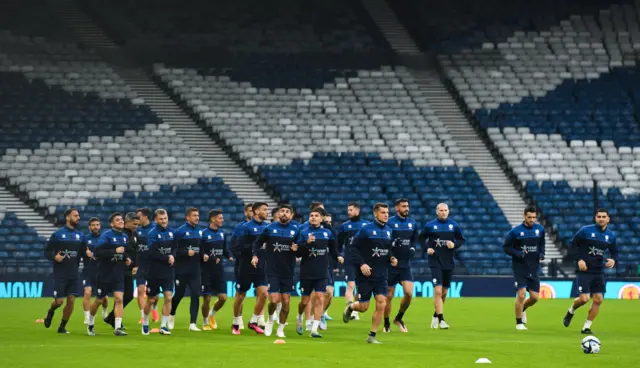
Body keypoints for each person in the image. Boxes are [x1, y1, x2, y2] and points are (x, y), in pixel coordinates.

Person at [343, 203, 397, 344]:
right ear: (375, 214)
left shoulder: (389, 231)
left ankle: (372, 335)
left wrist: (392, 258)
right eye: (383, 212)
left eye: (387, 212)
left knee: (381, 304)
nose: (386, 215)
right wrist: (362, 264)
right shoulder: (365, 230)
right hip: (365, 275)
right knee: (363, 307)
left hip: (381, 274)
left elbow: (388, 250)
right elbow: (353, 248)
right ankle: (351, 307)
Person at [563, 208, 617, 334]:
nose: (601, 219)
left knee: (598, 299)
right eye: (599, 216)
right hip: (585, 270)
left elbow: (615, 252)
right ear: (595, 218)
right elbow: (572, 245)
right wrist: (579, 259)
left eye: (604, 217)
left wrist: (613, 260)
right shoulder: (585, 231)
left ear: (608, 219)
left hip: (598, 271)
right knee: (584, 299)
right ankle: (571, 310)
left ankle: (586, 327)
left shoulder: (611, 236)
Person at [251, 204, 299, 337]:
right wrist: (255, 256)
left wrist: (298, 250)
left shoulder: (296, 230)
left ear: (291, 215)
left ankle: (281, 329)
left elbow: (301, 248)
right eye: (282, 211)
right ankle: (271, 320)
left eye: (287, 212)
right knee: (273, 300)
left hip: (288, 271)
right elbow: (257, 243)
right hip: (272, 270)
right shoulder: (270, 228)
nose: (284, 213)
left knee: (286, 301)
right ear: (278, 214)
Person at [295, 208, 343, 338]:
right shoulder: (303, 232)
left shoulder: (327, 233)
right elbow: (297, 252)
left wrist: (338, 256)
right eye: (311, 215)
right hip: (307, 271)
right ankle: (299, 316)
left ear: (322, 218)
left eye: (316, 215)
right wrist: (306, 243)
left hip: (322, 270)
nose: (313, 217)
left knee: (320, 298)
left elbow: (334, 249)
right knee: (305, 301)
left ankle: (314, 329)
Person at [419, 203, 465, 330]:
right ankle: (442, 320)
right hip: (435, 261)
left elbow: (461, 240)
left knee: (444, 292)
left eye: (445, 210)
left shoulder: (453, 225)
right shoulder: (430, 225)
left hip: (448, 262)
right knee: (438, 291)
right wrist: (427, 248)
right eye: (441, 210)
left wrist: (454, 245)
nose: (443, 212)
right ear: (437, 212)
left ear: (448, 211)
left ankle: (435, 315)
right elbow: (421, 239)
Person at [87, 212, 131, 336]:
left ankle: (117, 328)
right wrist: (114, 251)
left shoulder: (124, 236)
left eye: (122, 219)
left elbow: (122, 252)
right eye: (118, 220)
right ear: (112, 224)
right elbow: (98, 252)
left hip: (118, 274)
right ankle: (90, 323)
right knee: (99, 300)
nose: (121, 221)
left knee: (119, 299)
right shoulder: (106, 236)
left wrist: (126, 258)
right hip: (105, 274)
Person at [43, 208, 86, 334]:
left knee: (71, 299)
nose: (78, 217)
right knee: (59, 302)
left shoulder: (81, 236)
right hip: (60, 273)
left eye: (78, 215)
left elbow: (83, 252)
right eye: (75, 215)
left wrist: (88, 253)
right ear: (68, 217)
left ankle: (62, 326)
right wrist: (54, 257)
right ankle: (51, 311)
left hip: (74, 273)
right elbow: (47, 251)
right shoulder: (57, 234)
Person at [503, 206, 545, 330]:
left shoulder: (540, 229)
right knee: (521, 295)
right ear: (524, 216)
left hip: (533, 267)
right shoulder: (515, 231)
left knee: (534, 298)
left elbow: (542, 244)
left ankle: (523, 309)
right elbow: (506, 247)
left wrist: (542, 253)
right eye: (529, 217)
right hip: (519, 267)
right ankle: (519, 323)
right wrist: (518, 253)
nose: (532, 220)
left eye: (533, 217)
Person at [233, 202, 269, 335]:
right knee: (241, 295)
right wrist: (255, 250)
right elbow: (238, 247)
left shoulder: (267, 227)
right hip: (246, 266)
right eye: (264, 210)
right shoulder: (245, 227)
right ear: (256, 211)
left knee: (264, 294)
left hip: (261, 267)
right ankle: (236, 322)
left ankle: (253, 321)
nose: (267, 212)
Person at [384, 198, 418, 333]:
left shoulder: (412, 223)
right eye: (404, 206)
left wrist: (413, 248)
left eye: (407, 206)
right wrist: (391, 251)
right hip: (391, 264)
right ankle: (386, 323)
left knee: (409, 293)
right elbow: (385, 240)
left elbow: (415, 238)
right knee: (389, 296)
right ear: (397, 208)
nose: (406, 208)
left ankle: (398, 318)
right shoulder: (390, 222)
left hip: (405, 265)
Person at [143, 209, 176, 335]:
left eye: (165, 218)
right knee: (151, 300)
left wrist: (172, 255)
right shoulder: (152, 233)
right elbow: (151, 252)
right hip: (154, 271)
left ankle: (163, 326)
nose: (163, 221)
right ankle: (145, 322)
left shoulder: (172, 232)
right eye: (161, 219)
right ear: (156, 220)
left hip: (168, 271)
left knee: (168, 297)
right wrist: (167, 257)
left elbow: (174, 248)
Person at [104, 212, 139, 328]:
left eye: (137, 224)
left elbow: (135, 251)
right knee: (119, 295)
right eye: (134, 224)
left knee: (128, 295)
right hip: (117, 267)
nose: (136, 226)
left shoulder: (134, 234)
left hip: (129, 268)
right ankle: (112, 318)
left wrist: (136, 265)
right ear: (127, 222)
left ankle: (111, 317)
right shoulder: (120, 233)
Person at [170, 207, 203, 331]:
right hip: (181, 269)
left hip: (195, 269)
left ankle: (193, 323)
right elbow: (173, 250)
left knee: (196, 294)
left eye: (198, 215)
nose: (197, 217)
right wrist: (185, 252)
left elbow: (201, 248)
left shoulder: (200, 231)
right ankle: (171, 314)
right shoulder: (179, 231)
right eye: (194, 215)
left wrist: (204, 254)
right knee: (179, 294)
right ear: (187, 217)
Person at [201, 209, 233, 330]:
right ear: (213, 219)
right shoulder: (204, 234)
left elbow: (224, 249)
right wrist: (204, 256)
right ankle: (204, 322)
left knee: (223, 298)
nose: (222, 220)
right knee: (207, 298)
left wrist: (229, 256)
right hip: (206, 271)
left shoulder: (222, 233)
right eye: (220, 218)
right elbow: (201, 251)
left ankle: (211, 315)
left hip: (219, 270)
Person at [337, 202, 368, 321]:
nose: (348, 212)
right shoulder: (344, 226)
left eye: (351, 210)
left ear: (357, 211)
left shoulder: (366, 225)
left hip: (363, 260)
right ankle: (349, 307)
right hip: (349, 260)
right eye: (348, 210)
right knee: (350, 285)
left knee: (360, 287)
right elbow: (338, 244)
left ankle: (354, 309)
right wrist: (338, 257)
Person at [229, 203, 254, 330]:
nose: (253, 213)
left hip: (259, 265)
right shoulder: (240, 227)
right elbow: (233, 246)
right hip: (243, 265)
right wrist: (243, 258)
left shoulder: (263, 227)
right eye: (250, 211)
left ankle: (258, 319)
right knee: (241, 293)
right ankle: (238, 319)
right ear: (245, 212)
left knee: (263, 292)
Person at [82, 217, 108, 325]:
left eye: (97, 224)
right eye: (93, 225)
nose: (95, 227)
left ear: (100, 226)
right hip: (88, 271)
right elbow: (80, 253)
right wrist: (85, 253)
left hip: (102, 271)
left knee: (104, 298)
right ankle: (87, 317)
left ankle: (105, 311)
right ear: (89, 227)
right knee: (87, 292)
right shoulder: (84, 239)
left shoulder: (104, 238)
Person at [135, 208, 158, 323]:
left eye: (138, 217)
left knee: (154, 295)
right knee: (140, 289)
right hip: (141, 265)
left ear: (145, 217)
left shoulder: (155, 229)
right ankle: (143, 316)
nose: (137, 219)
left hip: (153, 265)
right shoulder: (137, 230)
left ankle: (154, 309)